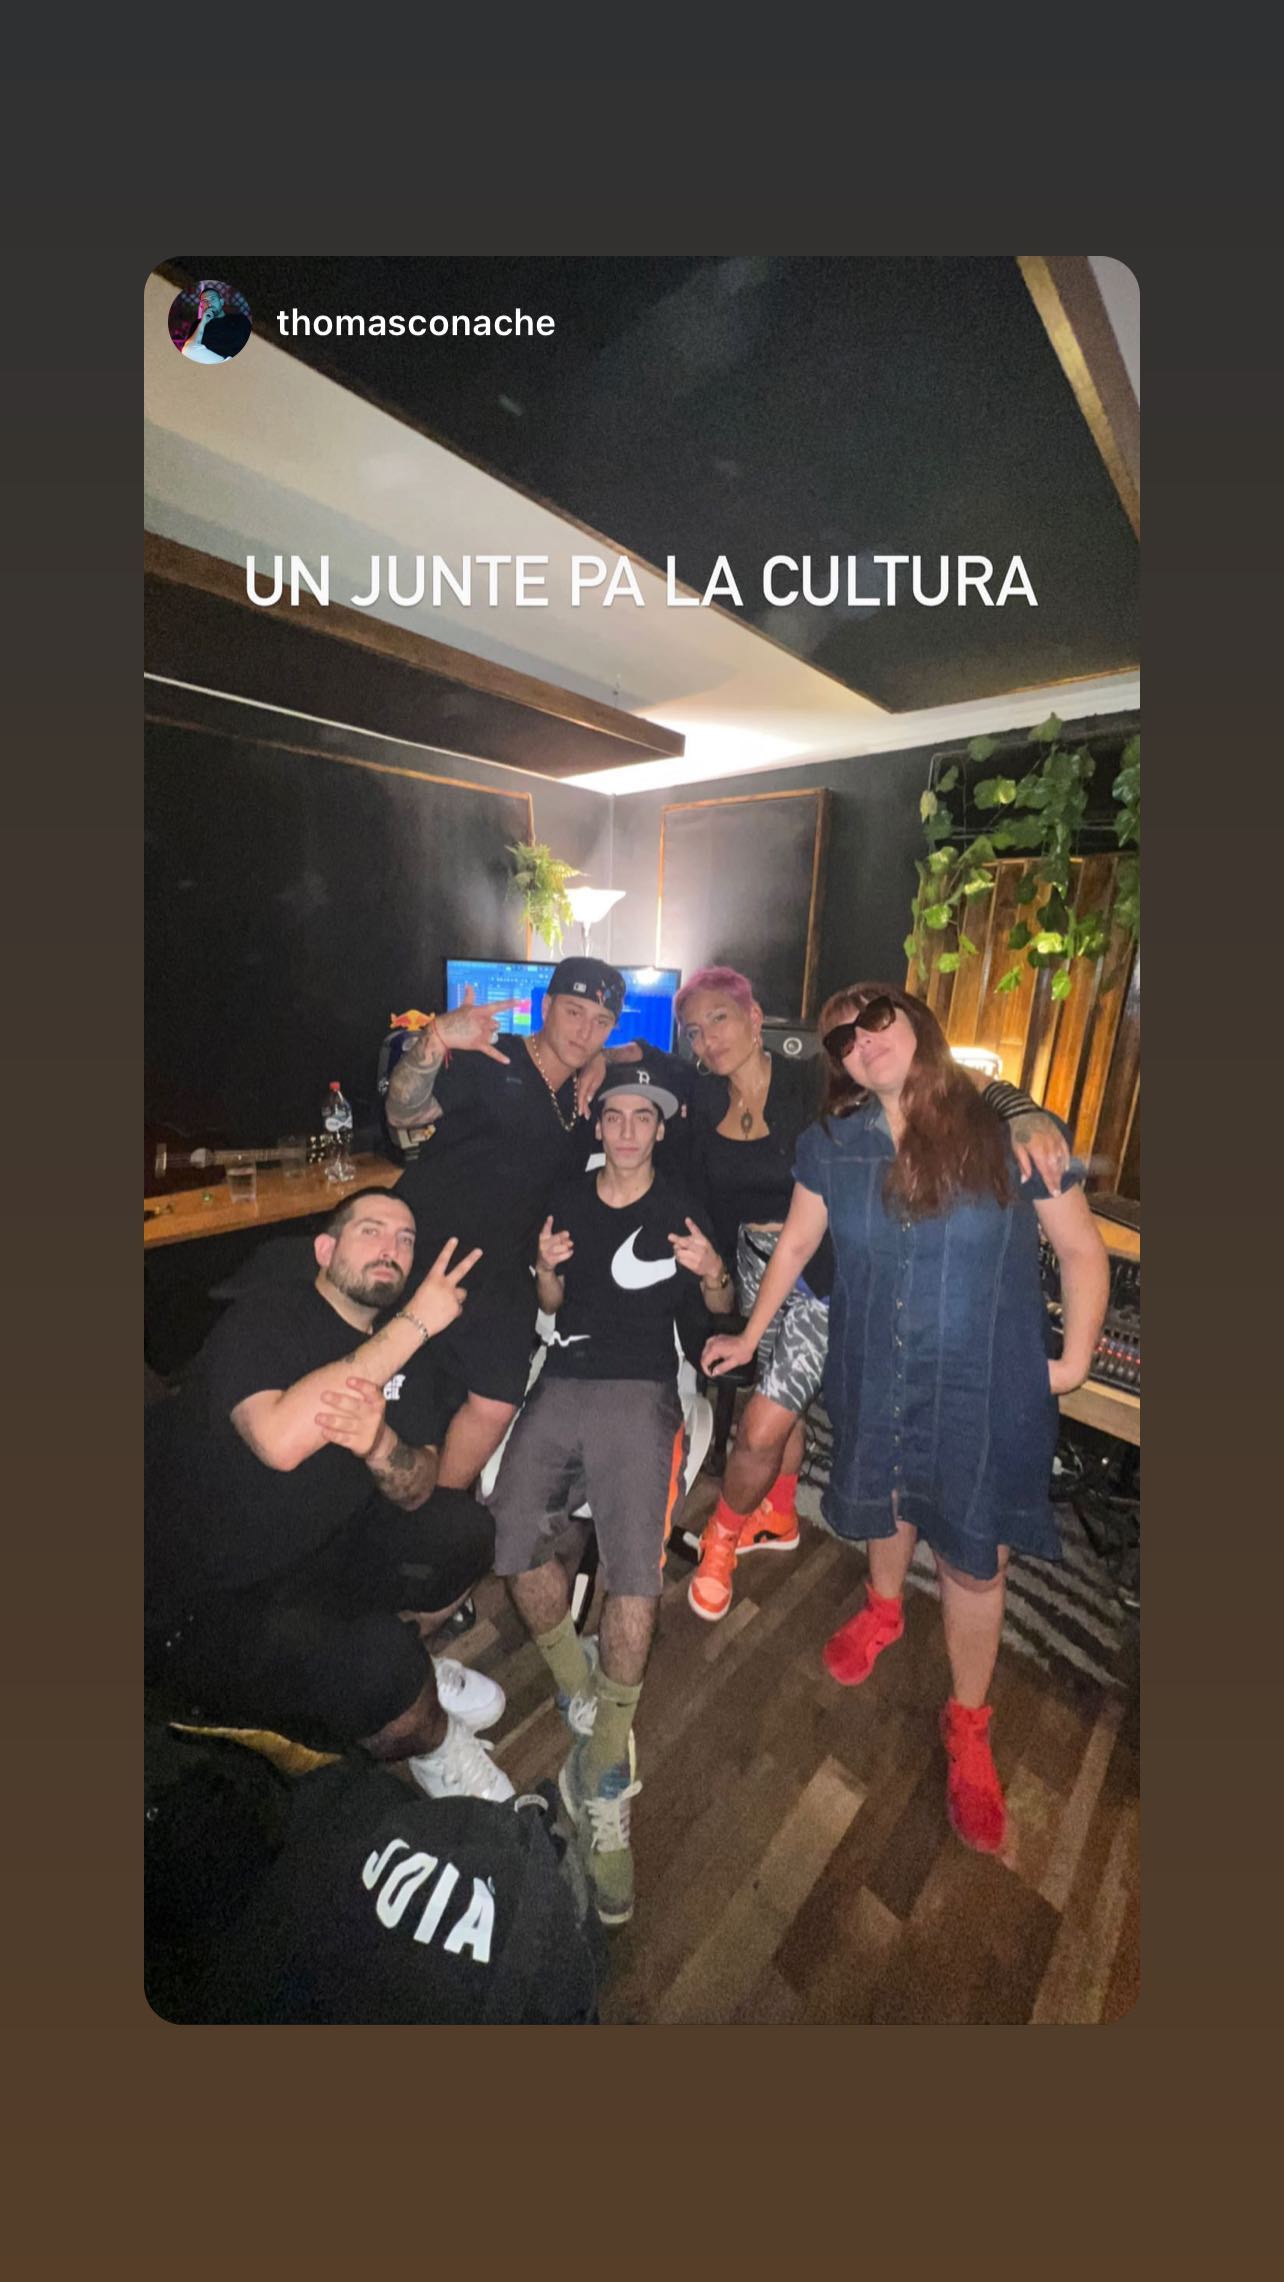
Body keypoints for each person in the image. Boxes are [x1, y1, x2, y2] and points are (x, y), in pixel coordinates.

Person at [703, 982, 1109, 1853]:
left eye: (875, 1019)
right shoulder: (830, 1145)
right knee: (886, 1502)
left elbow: (1081, 1250)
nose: (861, 1041)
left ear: (918, 1021)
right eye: (841, 1038)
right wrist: (749, 1333)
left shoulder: (1008, 1136)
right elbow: (798, 1244)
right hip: (875, 1370)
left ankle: (968, 1722)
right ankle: (883, 1609)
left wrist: (1073, 1363)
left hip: (980, 1388)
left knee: (973, 1558)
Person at [672, 965, 1072, 1623]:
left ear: (754, 1017)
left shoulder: (814, 1079)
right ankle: (780, 1513)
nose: (708, 1038)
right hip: (750, 1270)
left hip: (822, 1275)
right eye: (694, 1030)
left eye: (719, 1018)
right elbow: (646, 1081)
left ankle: (722, 1537)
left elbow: (942, 1080)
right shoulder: (700, 1096)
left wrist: (1019, 1108)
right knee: (781, 1402)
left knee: (761, 1422)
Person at [145, 1185, 515, 1803]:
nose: (391, 1248)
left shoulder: (407, 1352)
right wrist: (417, 1323)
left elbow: (419, 1484)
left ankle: (405, 1671)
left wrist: (380, 1446)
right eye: (371, 1230)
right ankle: (431, 1739)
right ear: (324, 1250)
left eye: (405, 1240)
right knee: (388, 1677)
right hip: (216, 1592)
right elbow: (280, 1440)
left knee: (465, 1531)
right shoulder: (269, 1315)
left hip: (325, 1549)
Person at [487, 1067, 734, 1924]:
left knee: (635, 1572)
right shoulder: (566, 1198)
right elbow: (548, 1302)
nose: (628, 1130)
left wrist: (711, 1271)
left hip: (641, 1386)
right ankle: (578, 1686)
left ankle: (601, 1771)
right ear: (598, 1124)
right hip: (562, 1377)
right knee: (512, 1532)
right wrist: (549, 1272)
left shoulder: (682, 1207)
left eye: (643, 1118)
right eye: (616, 1116)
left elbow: (721, 1307)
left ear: (659, 1130)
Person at [388, 955, 668, 1491]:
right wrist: (436, 1037)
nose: (583, 1031)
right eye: (573, 1012)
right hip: (428, 1247)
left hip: (503, 1267)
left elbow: (662, 1062)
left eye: (600, 1021)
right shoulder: (495, 1057)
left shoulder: (589, 1094)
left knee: (497, 1399)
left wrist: (603, 1056)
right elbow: (401, 1114)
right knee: (399, 1388)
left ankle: (441, 1506)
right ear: (547, 1007)